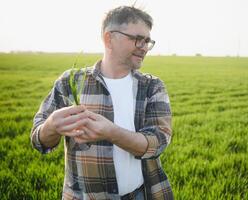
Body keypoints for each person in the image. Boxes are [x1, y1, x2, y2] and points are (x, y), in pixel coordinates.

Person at [31, 6, 173, 200]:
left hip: (141, 194)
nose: (144, 46)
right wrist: (51, 126)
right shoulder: (70, 82)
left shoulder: (152, 87)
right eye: (137, 39)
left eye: (148, 41)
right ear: (109, 38)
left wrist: (111, 132)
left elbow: (158, 143)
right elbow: (38, 140)